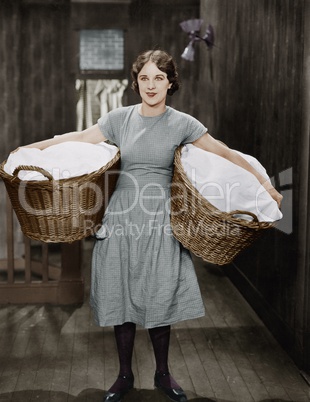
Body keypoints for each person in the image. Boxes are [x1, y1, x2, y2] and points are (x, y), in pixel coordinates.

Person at [22, 50, 282, 402]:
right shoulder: (120, 119)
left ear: (171, 83)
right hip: (120, 218)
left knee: (160, 294)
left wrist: (266, 186)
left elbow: (225, 152)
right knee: (122, 294)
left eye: (159, 77)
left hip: (161, 219)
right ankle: (124, 374)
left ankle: (163, 373)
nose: (151, 85)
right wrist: (25, 152)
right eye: (144, 78)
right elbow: (76, 138)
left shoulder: (183, 123)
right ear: (136, 83)